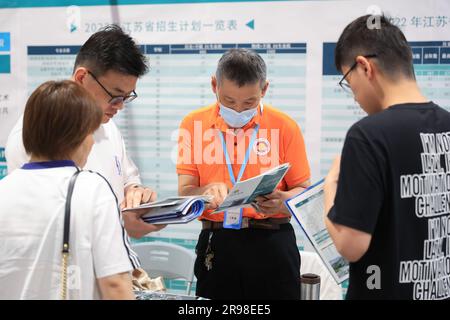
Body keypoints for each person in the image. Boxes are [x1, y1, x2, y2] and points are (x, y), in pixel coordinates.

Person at [324, 15, 450, 300]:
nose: (354, 96)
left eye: (348, 81)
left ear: (364, 67)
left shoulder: (368, 135)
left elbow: (350, 244)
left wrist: (330, 186)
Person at [5, 25, 165, 239]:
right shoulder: (31, 136)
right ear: (82, 77)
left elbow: (126, 177)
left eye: (127, 97)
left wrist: (135, 194)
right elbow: (45, 226)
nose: (120, 106)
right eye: (115, 95)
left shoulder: (107, 122)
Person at [177, 48, 311, 299]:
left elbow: (304, 190)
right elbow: (185, 192)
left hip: (273, 242)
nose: (238, 110)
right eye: (228, 101)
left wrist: (283, 201)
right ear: (214, 85)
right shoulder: (192, 125)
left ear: (264, 89)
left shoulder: (285, 126)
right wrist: (205, 191)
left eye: (249, 102)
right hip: (217, 242)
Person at [0, 80, 136, 300]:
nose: (92, 143)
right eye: (91, 133)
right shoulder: (93, 189)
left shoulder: (3, 190)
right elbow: (115, 284)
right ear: (79, 136)